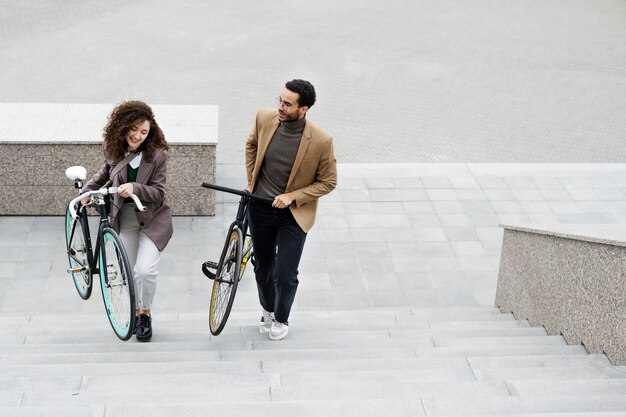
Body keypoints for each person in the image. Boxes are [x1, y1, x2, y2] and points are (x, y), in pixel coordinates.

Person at [246, 79, 337, 341]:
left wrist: (293, 196)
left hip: (293, 215)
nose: (280, 107)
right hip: (260, 207)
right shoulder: (265, 118)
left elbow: (328, 181)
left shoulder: (321, 140)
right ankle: (268, 310)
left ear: (304, 109)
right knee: (262, 268)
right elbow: (251, 144)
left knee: (285, 273)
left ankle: (282, 317)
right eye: (280, 100)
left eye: (287, 104)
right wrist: (251, 179)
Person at [82, 100, 173, 342]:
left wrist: (135, 187)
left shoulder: (157, 155)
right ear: (123, 127)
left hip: (152, 219)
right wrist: (85, 194)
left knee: (145, 269)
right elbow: (105, 174)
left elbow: (159, 193)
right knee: (128, 270)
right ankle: (135, 310)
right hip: (125, 218)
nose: (138, 136)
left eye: (144, 132)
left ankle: (144, 313)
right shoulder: (113, 149)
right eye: (134, 130)